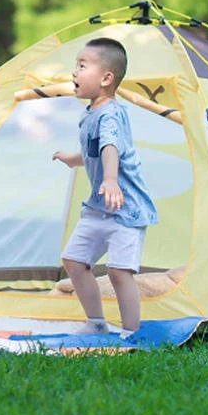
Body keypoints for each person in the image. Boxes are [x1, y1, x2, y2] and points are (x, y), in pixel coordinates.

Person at [52, 37, 158, 337]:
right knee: (74, 261)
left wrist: (110, 180)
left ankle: (131, 331)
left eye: (82, 66)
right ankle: (97, 323)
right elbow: (96, 150)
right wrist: (74, 159)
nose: (74, 72)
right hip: (100, 208)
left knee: (118, 271)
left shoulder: (110, 113)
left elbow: (110, 146)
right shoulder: (91, 113)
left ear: (106, 78)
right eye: (76, 66)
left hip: (126, 210)